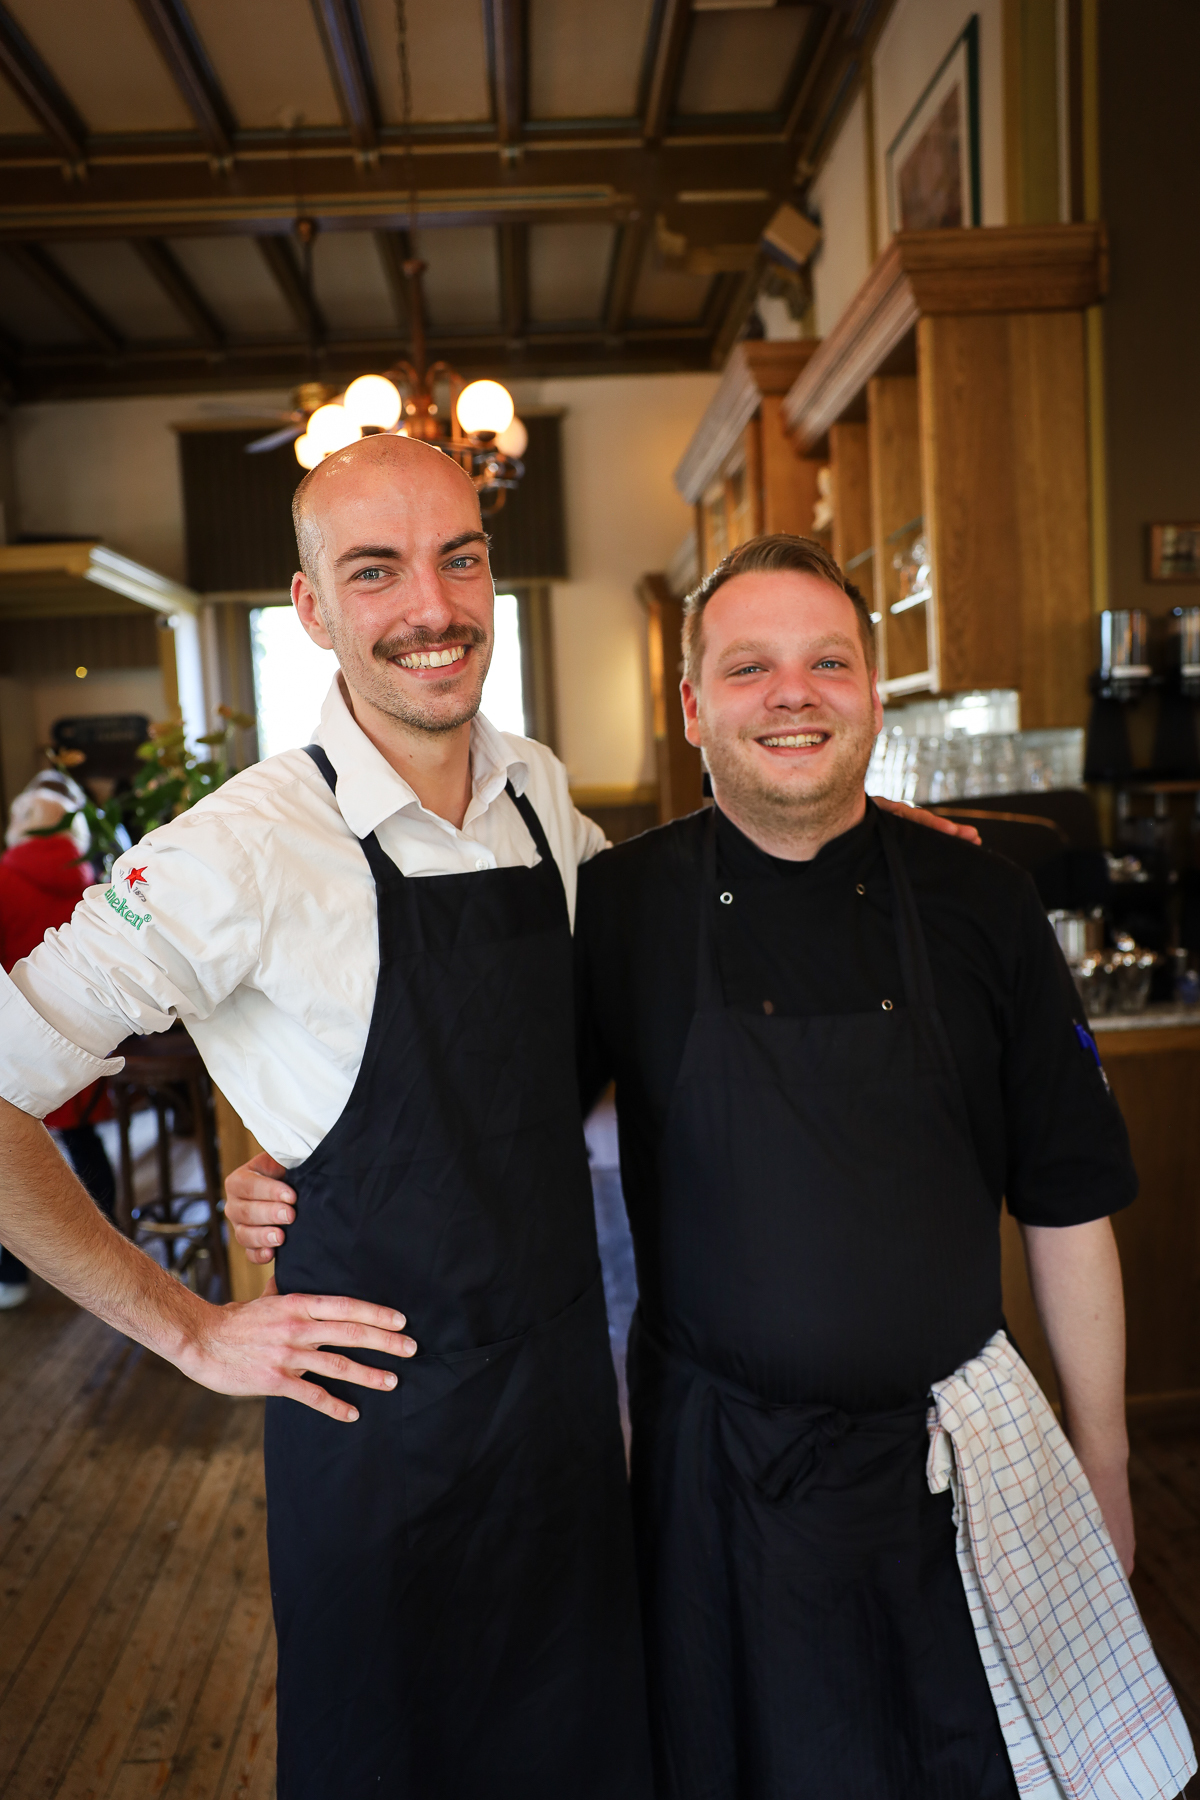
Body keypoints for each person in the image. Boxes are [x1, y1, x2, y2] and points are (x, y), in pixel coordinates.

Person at [229, 532, 1194, 1799]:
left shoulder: (984, 903)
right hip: (711, 1483)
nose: (791, 695)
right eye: (749, 668)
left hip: (954, 1468)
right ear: (692, 707)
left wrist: (1107, 1469)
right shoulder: (617, 905)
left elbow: (1068, 1210)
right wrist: (298, 1152)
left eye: (826, 662)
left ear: (871, 691)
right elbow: (481, 1113)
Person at [0, 434, 652, 1800]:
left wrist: (855, 833)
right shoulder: (235, 851)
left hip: (564, 1427)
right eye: (376, 570)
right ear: (310, 611)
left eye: (459, 557)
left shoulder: (539, 795)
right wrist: (184, 1327)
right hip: (379, 1466)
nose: (433, 607)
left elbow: (617, 1031)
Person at [0, 770, 116, 1308]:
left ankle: (10, 1277)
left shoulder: (4, 878)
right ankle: (111, 1252)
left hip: (17, 1043)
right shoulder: (93, 876)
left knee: (11, 1156)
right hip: (86, 1042)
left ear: (22, 822)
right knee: (85, 1142)